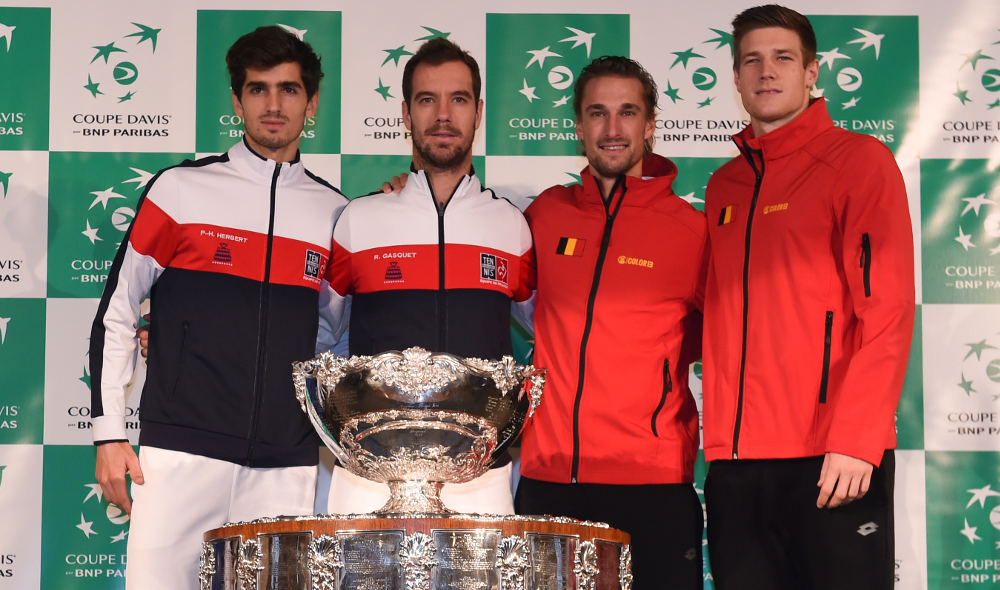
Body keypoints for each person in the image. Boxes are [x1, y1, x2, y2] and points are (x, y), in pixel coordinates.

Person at [90, 26, 348, 590]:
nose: (274, 105)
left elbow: (335, 337)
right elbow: (117, 310)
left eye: (289, 89)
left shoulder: (336, 214)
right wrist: (109, 433)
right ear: (237, 100)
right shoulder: (180, 189)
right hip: (182, 454)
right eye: (258, 89)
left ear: (312, 102)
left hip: (287, 466)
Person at [701, 6, 914, 589]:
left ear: (812, 72)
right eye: (752, 60)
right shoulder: (725, 185)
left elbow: (888, 310)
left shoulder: (858, 162)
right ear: (737, 78)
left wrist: (857, 440)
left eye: (783, 58)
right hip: (736, 464)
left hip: (830, 457)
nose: (767, 72)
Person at [514, 56, 708, 589]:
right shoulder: (545, 215)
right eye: (598, 113)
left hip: (652, 483)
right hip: (550, 477)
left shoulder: (692, 231)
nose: (613, 129)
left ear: (650, 127)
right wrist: (409, 198)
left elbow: (737, 341)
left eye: (628, 113)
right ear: (578, 126)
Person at [322, 37, 533, 514]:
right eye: (427, 100)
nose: (443, 115)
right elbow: (319, 335)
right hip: (369, 474)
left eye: (458, 100)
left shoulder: (512, 227)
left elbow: (554, 333)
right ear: (405, 114)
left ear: (478, 112)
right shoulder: (359, 219)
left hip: (481, 476)